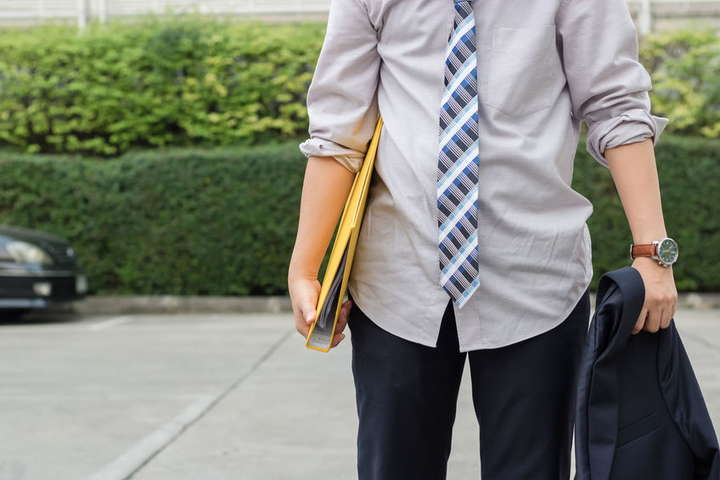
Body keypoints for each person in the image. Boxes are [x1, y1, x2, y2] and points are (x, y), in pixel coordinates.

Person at [287, 0, 679, 478]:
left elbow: (616, 107)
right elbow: (338, 131)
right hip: (398, 279)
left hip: (537, 277)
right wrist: (305, 268)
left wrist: (653, 253)